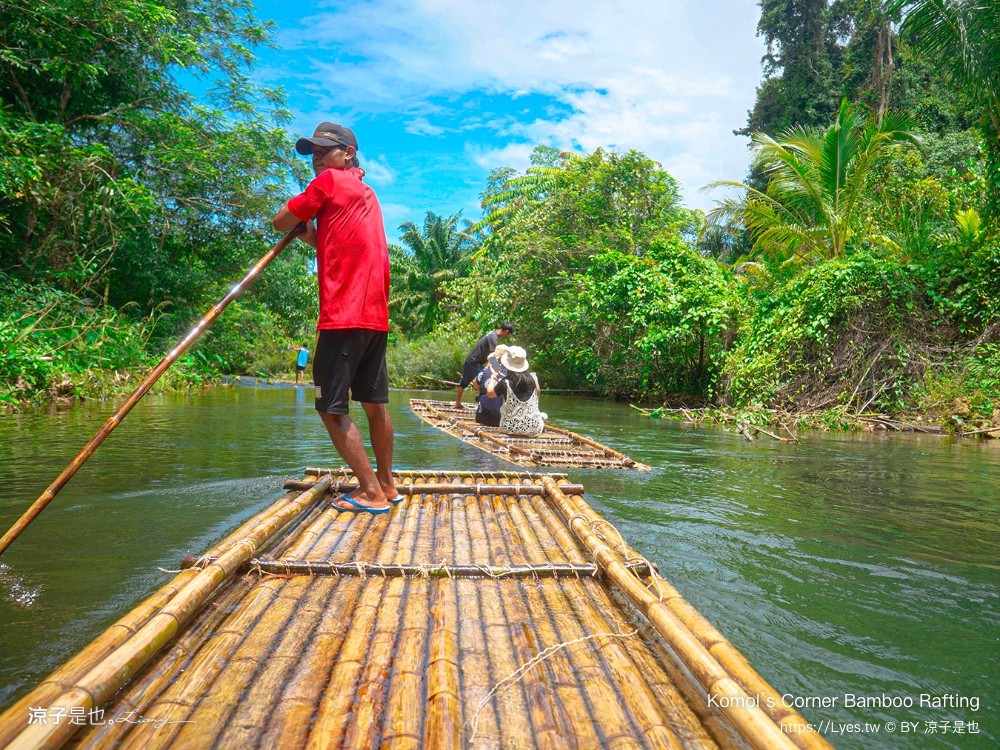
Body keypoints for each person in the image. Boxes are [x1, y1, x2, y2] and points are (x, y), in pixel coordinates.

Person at [272, 122, 398, 514]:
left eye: (324, 150)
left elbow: (279, 220)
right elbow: (339, 243)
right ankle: (389, 485)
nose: (316, 158)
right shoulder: (365, 193)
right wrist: (311, 234)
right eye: (313, 152)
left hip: (344, 315)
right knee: (374, 405)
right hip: (374, 318)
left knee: (331, 409)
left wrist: (294, 221)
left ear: (347, 154)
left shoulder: (329, 183)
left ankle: (371, 494)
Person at [485, 346, 546, 437]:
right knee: (543, 416)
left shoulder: (505, 382)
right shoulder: (533, 378)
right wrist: (535, 379)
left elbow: (490, 394)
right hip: (534, 429)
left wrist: (493, 377)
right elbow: (538, 393)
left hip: (510, 428)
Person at [455, 322, 514, 406]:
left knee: (464, 383)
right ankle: (483, 402)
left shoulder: (492, 334)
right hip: (475, 362)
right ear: (506, 331)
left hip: (470, 360)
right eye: (508, 335)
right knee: (485, 381)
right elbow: (493, 357)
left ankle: (458, 403)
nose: (506, 337)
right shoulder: (494, 338)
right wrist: (498, 370)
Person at [473, 345, 508, 426]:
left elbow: (475, 384)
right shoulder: (509, 375)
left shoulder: (484, 372)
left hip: (481, 417)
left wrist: (486, 368)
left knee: (480, 397)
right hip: (499, 420)